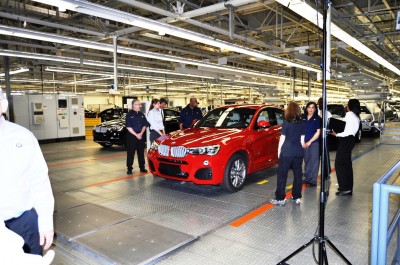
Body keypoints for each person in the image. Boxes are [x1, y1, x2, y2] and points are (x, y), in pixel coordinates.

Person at [0, 88, 55, 256]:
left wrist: (45, 220)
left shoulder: (23, 137)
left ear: (3, 105)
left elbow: (39, 181)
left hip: (22, 224)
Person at [270, 102, 305, 206]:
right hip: (298, 152)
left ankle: (280, 198)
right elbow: (302, 140)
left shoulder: (286, 123)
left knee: (282, 175)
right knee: (298, 174)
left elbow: (282, 139)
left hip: (287, 152)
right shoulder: (302, 123)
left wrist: (278, 152)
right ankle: (296, 197)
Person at [330, 99, 361, 196]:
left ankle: (344, 188)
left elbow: (346, 131)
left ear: (349, 106)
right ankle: (347, 187)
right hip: (350, 141)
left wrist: (336, 134)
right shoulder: (356, 116)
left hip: (345, 140)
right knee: (347, 164)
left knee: (340, 164)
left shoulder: (349, 115)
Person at [126, 99, 148, 174]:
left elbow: (145, 125)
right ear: (134, 105)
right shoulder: (129, 115)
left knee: (141, 152)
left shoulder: (142, 114)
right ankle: (129, 168)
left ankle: (142, 167)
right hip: (132, 136)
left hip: (141, 135)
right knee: (131, 152)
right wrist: (136, 135)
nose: (140, 106)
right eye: (139, 104)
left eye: (140, 104)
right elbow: (128, 127)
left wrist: (141, 133)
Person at [301, 102, 321, 187]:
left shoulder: (317, 118)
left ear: (315, 109)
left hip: (314, 143)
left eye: (313, 107)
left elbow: (318, 132)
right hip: (304, 142)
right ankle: (307, 178)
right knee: (307, 160)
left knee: (314, 161)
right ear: (306, 108)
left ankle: (313, 181)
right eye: (309, 107)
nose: (311, 109)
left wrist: (309, 142)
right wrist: (303, 142)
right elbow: (299, 129)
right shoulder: (302, 117)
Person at [317, 97, 332, 179]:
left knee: (323, 155)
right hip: (324, 136)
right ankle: (326, 172)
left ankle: (326, 172)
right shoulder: (326, 113)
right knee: (325, 155)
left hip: (321, 136)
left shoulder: (321, 113)